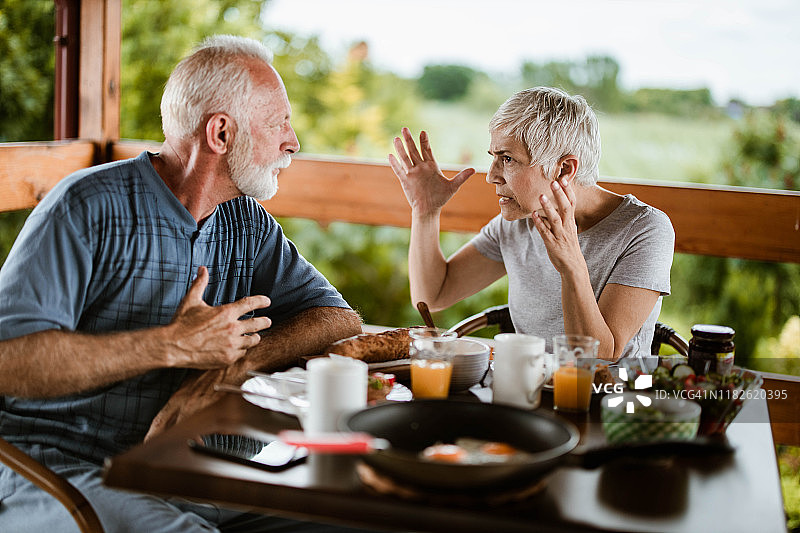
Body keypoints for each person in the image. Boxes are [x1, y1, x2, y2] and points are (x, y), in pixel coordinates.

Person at [0, 35, 367, 532]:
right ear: (220, 133)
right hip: (55, 462)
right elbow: (10, 362)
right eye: (279, 122)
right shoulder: (85, 207)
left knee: (347, 513)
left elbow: (337, 318)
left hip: (185, 460)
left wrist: (228, 370)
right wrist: (171, 345)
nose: (292, 140)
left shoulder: (246, 221)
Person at [389, 87, 674, 361]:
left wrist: (570, 262)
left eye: (508, 159)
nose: (492, 176)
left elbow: (600, 356)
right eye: (495, 158)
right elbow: (433, 295)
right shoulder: (517, 223)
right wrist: (426, 212)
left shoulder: (645, 229)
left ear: (564, 169)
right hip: (529, 392)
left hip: (610, 401)